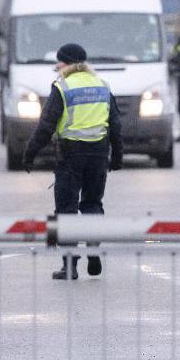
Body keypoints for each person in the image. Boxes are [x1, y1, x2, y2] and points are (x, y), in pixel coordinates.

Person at [23, 43, 124, 280]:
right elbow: (115, 125)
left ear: (67, 63)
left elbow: (46, 125)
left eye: (59, 61)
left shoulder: (62, 87)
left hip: (70, 155)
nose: (56, 65)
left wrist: (30, 153)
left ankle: (69, 265)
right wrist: (118, 156)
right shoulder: (102, 85)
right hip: (99, 154)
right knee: (92, 204)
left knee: (65, 210)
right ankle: (93, 250)